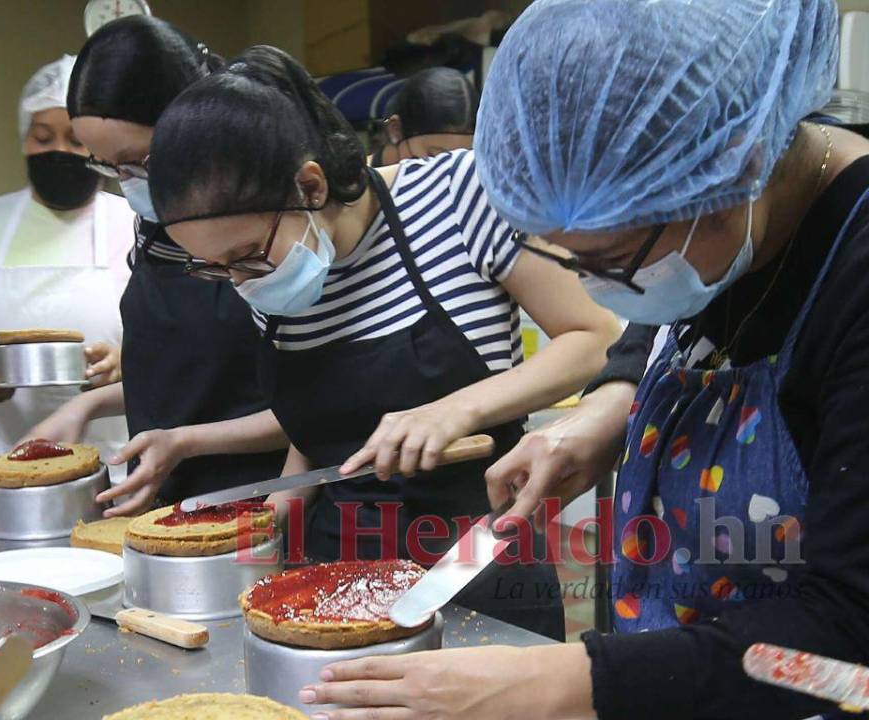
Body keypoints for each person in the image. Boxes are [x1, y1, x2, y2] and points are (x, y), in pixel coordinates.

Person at [299, 1, 869, 718]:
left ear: (738, 167)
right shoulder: (723, 225)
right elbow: (662, 323)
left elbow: (848, 646)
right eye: (571, 259)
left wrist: (563, 682)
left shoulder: (847, 271)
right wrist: (610, 409)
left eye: (609, 263)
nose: (597, 289)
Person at [148, 45, 622, 637]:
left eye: (246, 255)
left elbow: (594, 338)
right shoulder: (268, 277)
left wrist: (455, 409)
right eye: (216, 268)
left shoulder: (457, 196)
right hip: (333, 568)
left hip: (474, 557)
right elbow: (324, 415)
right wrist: (281, 505)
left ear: (311, 185)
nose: (241, 281)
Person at [28, 16, 288, 516]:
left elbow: (324, 409)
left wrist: (184, 442)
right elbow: (182, 382)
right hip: (166, 505)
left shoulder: (270, 231)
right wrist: (86, 405)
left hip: (263, 504)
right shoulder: (155, 232)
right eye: (107, 165)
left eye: (138, 162)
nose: (127, 183)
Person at [0, 55, 133, 470]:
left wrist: (130, 361)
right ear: (24, 140)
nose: (59, 151)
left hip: (117, 462)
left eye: (76, 139)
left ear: (100, 147)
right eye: (43, 138)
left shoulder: (137, 225)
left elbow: (186, 340)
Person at [371, 66, 477, 167]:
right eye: (435, 157)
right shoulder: (363, 178)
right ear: (395, 130)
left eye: (463, 160)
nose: (451, 171)